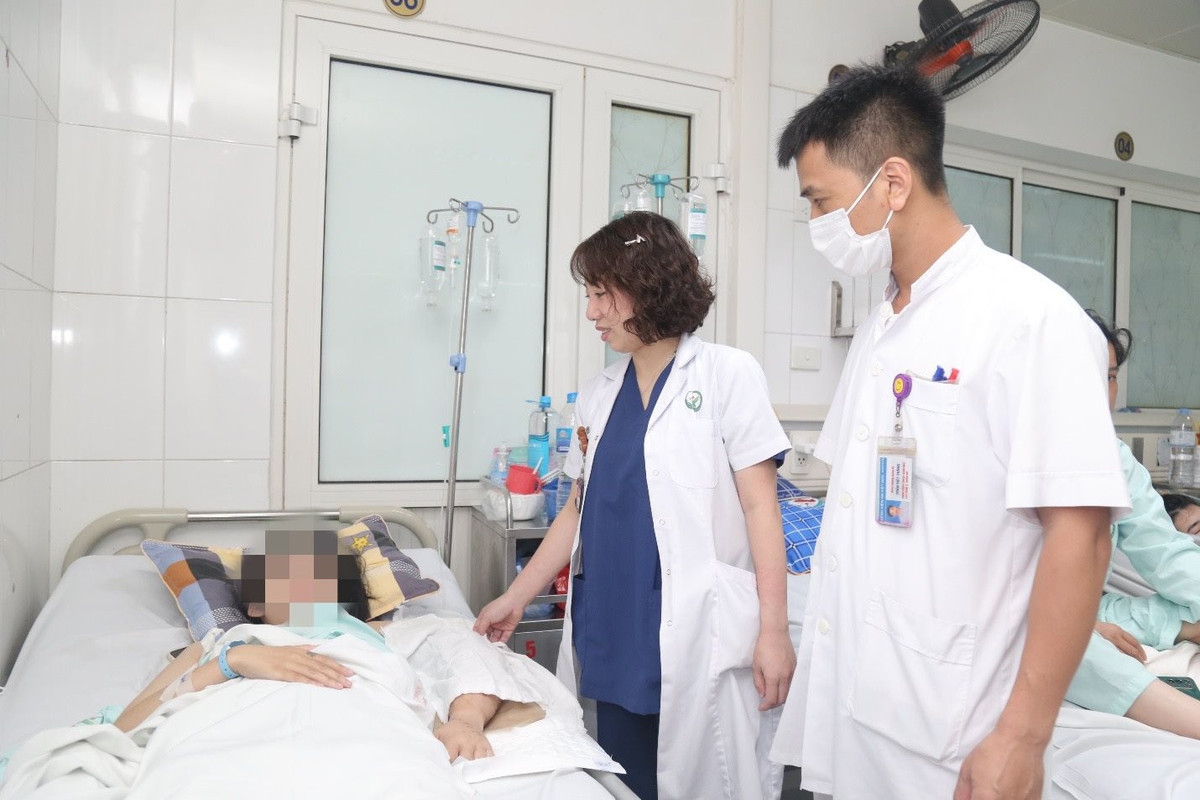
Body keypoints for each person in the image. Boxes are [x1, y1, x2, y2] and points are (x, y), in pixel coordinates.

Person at [769, 64, 1130, 800]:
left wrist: (1024, 737)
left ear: (893, 183)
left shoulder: (1032, 320)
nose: (818, 226)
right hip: (863, 704)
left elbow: (1083, 536)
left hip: (953, 730)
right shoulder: (884, 323)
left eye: (822, 202)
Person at [473, 211, 794, 800]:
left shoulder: (727, 375)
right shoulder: (598, 396)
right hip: (612, 623)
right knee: (627, 780)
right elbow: (576, 511)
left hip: (694, 624)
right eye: (589, 296)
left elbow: (760, 508)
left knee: (706, 777)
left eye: (602, 294)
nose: (592, 312)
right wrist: (515, 597)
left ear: (648, 286)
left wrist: (773, 628)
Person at [115, 530, 500, 762]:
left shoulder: (381, 634)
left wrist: (464, 723)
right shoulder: (219, 645)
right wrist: (232, 662)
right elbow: (125, 728)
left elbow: (472, 652)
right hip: (235, 741)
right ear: (256, 606)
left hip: (368, 741)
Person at [1065, 315, 1200, 738]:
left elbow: (1166, 553)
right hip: (1023, 626)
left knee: (1176, 607)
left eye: (1109, 376)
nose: (1101, 391)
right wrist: (1083, 629)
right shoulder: (1003, 455)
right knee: (1067, 643)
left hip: (1087, 615)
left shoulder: (1114, 458)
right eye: (1085, 372)